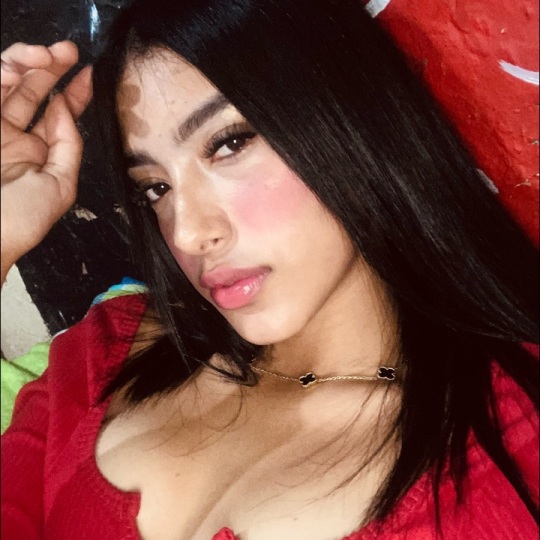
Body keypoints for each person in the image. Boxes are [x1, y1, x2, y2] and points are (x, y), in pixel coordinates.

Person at [1, 0, 538, 539]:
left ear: (350, 118)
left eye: (228, 144)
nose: (188, 234)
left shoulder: (512, 449)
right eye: (156, 187)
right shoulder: (101, 353)